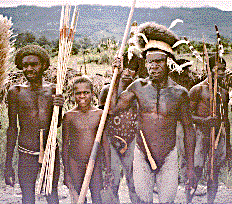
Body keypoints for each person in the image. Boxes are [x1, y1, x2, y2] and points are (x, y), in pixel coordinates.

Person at [110, 22, 197, 203]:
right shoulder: (138, 87)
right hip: (142, 154)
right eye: (150, 61)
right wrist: (116, 75)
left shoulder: (180, 93)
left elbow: (189, 129)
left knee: (167, 200)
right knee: (143, 200)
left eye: (159, 61)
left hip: (168, 155)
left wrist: (190, 167)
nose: (154, 66)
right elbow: (112, 110)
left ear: (168, 63)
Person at [4, 45, 64, 204]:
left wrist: (60, 106)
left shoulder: (53, 90)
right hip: (26, 154)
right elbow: (12, 129)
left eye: (34, 64)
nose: (29, 69)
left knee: (52, 194)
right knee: (28, 197)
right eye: (25, 65)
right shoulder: (15, 92)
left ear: (44, 65)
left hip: (51, 152)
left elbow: (57, 124)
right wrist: (8, 163)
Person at [99, 48, 143, 203]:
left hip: (133, 142)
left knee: (135, 183)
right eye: (125, 68)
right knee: (112, 181)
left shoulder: (139, 91)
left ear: (137, 72)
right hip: (111, 142)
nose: (127, 72)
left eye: (132, 69)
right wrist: (115, 78)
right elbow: (108, 111)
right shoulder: (107, 90)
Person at [189, 54, 231, 203]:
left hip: (218, 136)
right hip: (201, 135)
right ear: (209, 69)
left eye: (224, 69)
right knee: (197, 169)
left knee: (214, 171)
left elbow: (226, 120)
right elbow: (187, 117)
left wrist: (228, 145)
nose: (222, 72)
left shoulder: (224, 93)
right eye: (219, 69)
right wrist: (204, 121)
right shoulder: (197, 90)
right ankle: (188, 200)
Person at [62, 76, 107, 204]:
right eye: (78, 93)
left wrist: (108, 168)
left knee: (97, 197)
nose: (82, 96)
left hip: (95, 163)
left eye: (86, 93)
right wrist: (67, 172)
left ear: (92, 94)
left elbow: (105, 143)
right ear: (73, 95)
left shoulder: (99, 114)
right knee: (79, 198)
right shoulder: (69, 116)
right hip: (75, 163)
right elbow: (65, 145)